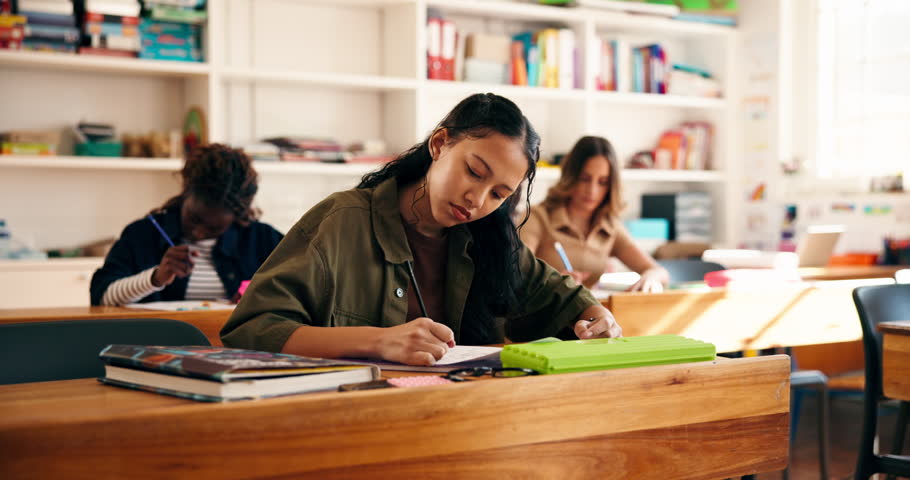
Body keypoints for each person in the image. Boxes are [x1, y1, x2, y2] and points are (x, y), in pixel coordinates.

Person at [221, 94, 621, 366]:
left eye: (499, 194)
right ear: (440, 144)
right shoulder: (341, 221)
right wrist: (379, 341)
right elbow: (251, 330)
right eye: (474, 171)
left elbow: (564, 298)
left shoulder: (490, 239)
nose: (477, 199)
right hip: (350, 424)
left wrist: (598, 318)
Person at [90, 144, 284, 306]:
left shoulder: (263, 239)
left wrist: (256, 302)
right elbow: (102, 298)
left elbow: (295, 297)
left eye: (213, 228)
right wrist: (155, 278)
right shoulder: (143, 234)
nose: (199, 233)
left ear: (237, 216)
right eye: (194, 218)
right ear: (185, 192)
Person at [520, 136, 669, 293]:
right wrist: (552, 282)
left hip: (593, 308)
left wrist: (649, 278)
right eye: (585, 179)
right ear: (571, 177)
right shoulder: (536, 217)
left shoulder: (609, 226)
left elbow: (659, 272)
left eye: (602, 182)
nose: (592, 190)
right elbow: (516, 274)